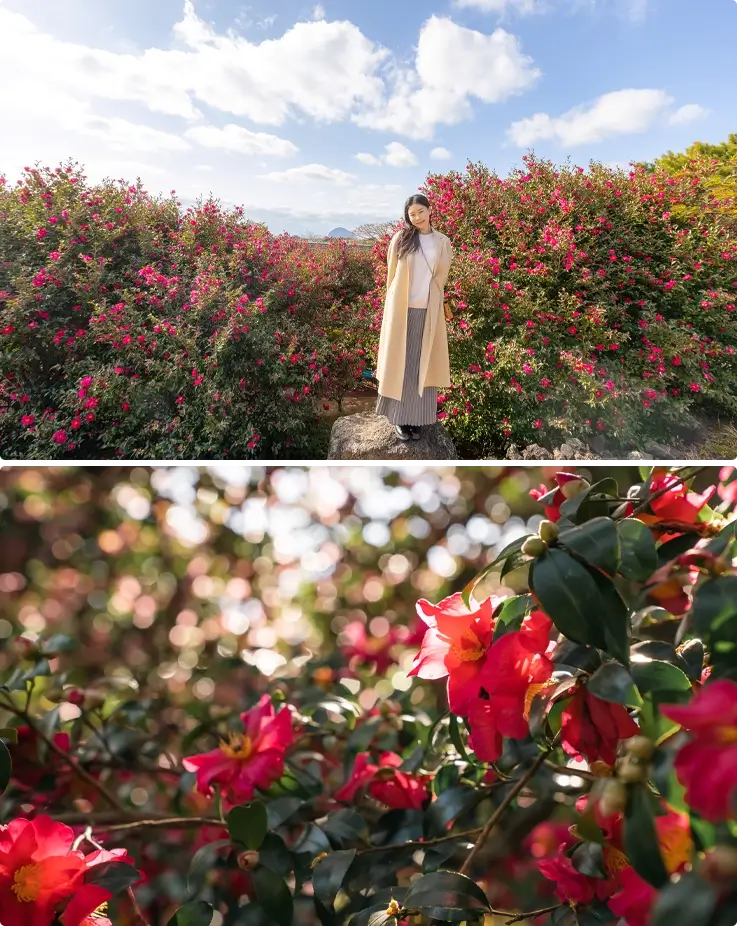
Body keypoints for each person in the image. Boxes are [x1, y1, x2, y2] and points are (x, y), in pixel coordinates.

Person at [375, 194, 454, 441]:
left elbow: (441, 278)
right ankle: (399, 418)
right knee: (402, 363)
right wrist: (392, 307)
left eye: (421, 211)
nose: (417, 217)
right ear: (407, 217)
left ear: (430, 210)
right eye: (412, 214)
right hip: (401, 311)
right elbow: (391, 277)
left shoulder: (443, 242)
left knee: (424, 364)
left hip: (428, 312)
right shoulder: (400, 239)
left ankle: (417, 420)